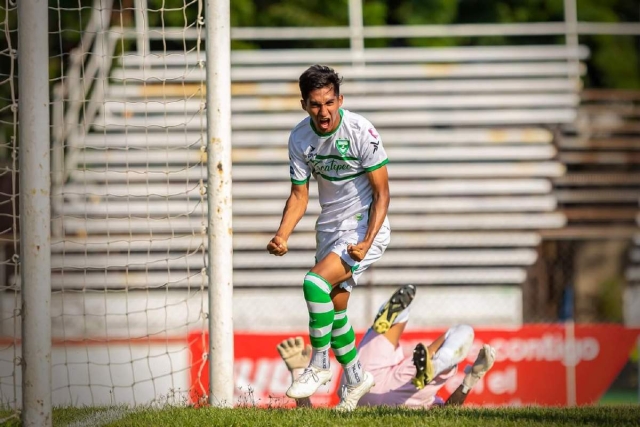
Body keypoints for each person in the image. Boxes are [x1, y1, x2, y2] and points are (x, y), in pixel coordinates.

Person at [266, 64, 391, 411]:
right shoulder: (299, 139)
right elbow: (299, 195)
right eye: (316, 104)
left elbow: (383, 194)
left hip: (363, 230)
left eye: (330, 102)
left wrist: (367, 240)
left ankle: (319, 364)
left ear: (340, 99)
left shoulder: (361, 131)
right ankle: (355, 377)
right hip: (330, 230)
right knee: (335, 312)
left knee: (313, 284)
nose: (325, 112)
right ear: (304, 104)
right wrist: (282, 234)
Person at [276, 284, 497, 409]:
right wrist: (472, 378)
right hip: (400, 397)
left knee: (401, 318)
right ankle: (435, 365)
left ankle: (396, 316)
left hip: (361, 384)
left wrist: (298, 371)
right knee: (463, 330)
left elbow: (309, 420)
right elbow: (448, 413)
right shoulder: (425, 402)